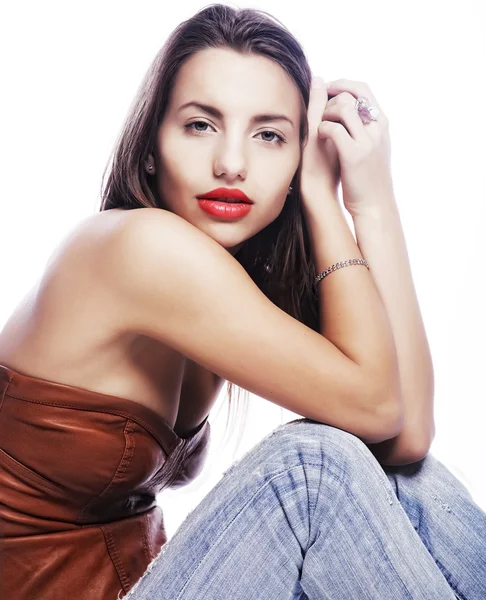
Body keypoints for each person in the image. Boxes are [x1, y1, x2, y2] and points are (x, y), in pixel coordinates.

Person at [0, 3, 484, 599]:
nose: (231, 163)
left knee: (415, 482)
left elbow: (404, 436)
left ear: (296, 156)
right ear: (151, 148)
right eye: (201, 125)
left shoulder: (232, 273)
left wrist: (371, 202)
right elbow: (378, 407)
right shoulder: (137, 248)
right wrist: (323, 201)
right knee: (313, 470)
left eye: (270, 136)